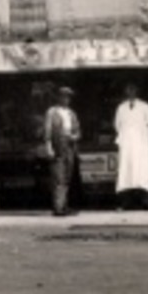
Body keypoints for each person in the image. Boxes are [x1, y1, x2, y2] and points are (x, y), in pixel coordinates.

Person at [113, 84, 148, 210]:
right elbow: (117, 125)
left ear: (137, 91)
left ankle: (146, 201)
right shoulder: (121, 108)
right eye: (128, 90)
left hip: (141, 144)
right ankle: (125, 202)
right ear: (125, 92)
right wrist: (126, 135)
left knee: (142, 172)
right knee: (126, 172)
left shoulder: (145, 106)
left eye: (133, 89)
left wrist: (145, 138)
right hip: (127, 144)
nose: (131, 92)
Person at [43, 86, 81, 216]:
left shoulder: (71, 113)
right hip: (57, 143)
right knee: (58, 176)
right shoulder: (52, 112)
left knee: (67, 177)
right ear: (58, 97)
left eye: (68, 97)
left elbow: (78, 131)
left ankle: (64, 205)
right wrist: (48, 146)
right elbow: (47, 130)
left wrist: (74, 136)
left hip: (69, 145)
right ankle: (58, 207)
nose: (66, 99)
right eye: (63, 96)